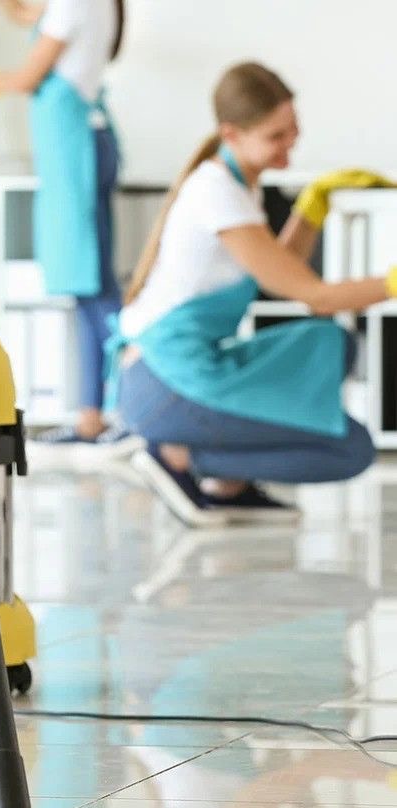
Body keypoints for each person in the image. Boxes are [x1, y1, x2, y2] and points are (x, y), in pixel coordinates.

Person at [112, 62, 393, 527]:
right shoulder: (215, 193)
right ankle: (182, 456)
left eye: (293, 130)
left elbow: (276, 270)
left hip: (183, 370)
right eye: (276, 136)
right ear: (232, 133)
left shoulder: (238, 185)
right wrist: (392, 282)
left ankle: (227, 483)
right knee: (351, 450)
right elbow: (314, 296)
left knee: (330, 345)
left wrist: (312, 206)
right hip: (166, 383)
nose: (290, 144)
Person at [0, 0, 134, 450]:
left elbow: (27, 77)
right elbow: (27, 14)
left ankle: (133, 409)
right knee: (89, 286)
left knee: (93, 290)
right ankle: (92, 418)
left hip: (77, 153)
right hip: (83, 145)